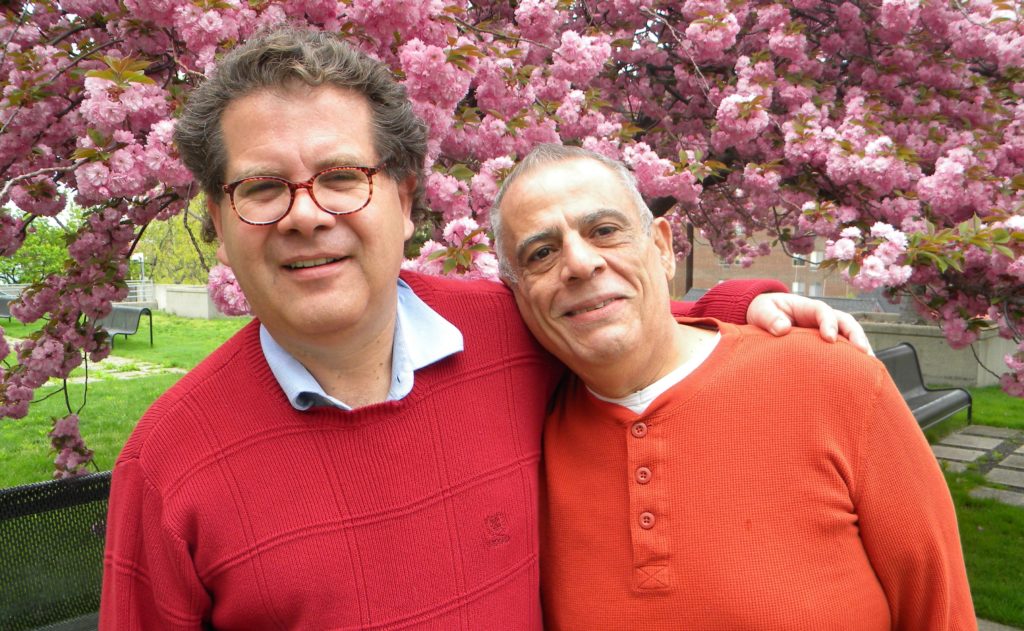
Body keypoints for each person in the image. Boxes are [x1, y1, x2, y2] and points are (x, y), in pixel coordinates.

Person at [99, 28, 869, 630]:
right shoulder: (169, 464)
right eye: (262, 187)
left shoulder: (503, 334)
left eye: (341, 177)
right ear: (219, 221)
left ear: (404, 199)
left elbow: (615, 323)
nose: (307, 214)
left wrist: (740, 306)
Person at [492, 143, 976, 631]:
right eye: (542, 252)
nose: (579, 263)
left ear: (661, 248)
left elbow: (941, 611)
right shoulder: (525, 436)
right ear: (514, 294)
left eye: (604, 231)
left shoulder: (833, 379)